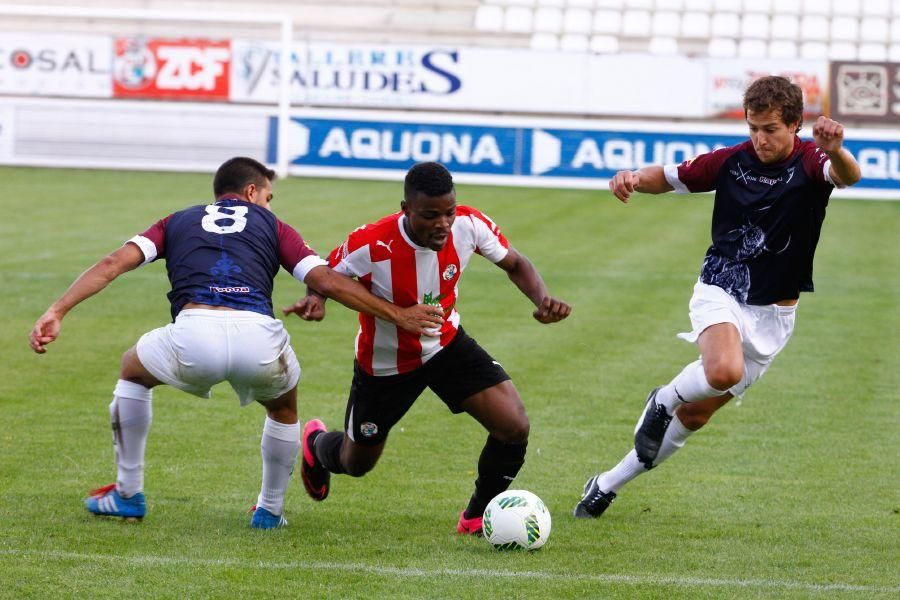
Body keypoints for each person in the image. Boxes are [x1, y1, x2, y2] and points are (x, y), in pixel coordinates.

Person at [28, 156, 442, 529]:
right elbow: (326, 281)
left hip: (192, 335)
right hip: (258, 339)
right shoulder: (274, 226)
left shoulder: (176, 221)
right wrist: (399, 315)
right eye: (268, 195)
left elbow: (112, 264)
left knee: (132, 372)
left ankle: (128, 493)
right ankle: (269, 511)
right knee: (283, 407)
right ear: (251, 192)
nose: (269, 204)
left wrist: (58, 311)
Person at [574, 76, 861, 518]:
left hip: (775, 317)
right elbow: (670, 177)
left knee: (696, 418)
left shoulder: (812, 162)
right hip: (722, 287)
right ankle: (664, 398)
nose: (760, 139)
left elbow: (848, 176)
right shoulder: (732, 162)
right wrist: (632, 177)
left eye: (770, 129)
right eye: (753, 128)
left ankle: (608, 483)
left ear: (795, 125)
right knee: (722, 371)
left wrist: (838, 148)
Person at [283, 161, 571, 534]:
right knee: (356, 463)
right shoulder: (373, 243)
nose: (443, 224)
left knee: (513, 425)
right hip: (386, 364)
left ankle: (475, 517)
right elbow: (324, 275)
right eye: (430, 215)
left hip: (445, 346)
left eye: (448, 212)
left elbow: (516, 263)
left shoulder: (469, 224)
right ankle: (317, 444)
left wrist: (542, 299)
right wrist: (316, 299)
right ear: (406, 209)